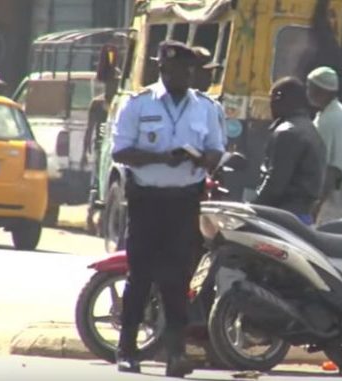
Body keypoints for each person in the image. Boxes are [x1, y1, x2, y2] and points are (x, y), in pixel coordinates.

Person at [111, 40, 224, 375]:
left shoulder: (205, 107)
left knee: (177, 280)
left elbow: (216, 148)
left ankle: (176, 353)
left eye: (191, 70)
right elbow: (121, 152)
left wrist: (206, 160)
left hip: (184, 202)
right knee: (140, 276)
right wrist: (162, 157)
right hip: (147, 201)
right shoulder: (138, 104)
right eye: (179, 70)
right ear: (163, 69)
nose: (187, 76)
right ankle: (127, 349)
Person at [254, 77, 326, 225]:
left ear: (279, 98)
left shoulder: (287, 132)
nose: (270, 105)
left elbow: (274, 185)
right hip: (302, 216)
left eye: (272, 99)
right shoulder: (311, 130)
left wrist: (252, 209)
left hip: (282, 217)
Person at [306, 66, 342, 223]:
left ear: (322, 91)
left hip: (333, 206)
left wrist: (318, 202)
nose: (307, 93)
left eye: (310, 88)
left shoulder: (332, 119)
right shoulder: (333, 112)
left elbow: (335, 169)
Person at [83, 71, 120, 234]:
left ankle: (103, 220)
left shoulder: (119, 102)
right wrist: (85, 150)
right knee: (96, 183)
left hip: (114, 147)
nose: (113, 85)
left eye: (116, 82)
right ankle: (90, 218)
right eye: (111, 82)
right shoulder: (97, 103)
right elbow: (89, 128)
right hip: (100, 147)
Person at [192, 46, 227, 147]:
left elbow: (221, 143)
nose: (210, 78)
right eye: (205, 73)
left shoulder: (213, 106)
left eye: (211, 73)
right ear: (191, 72)